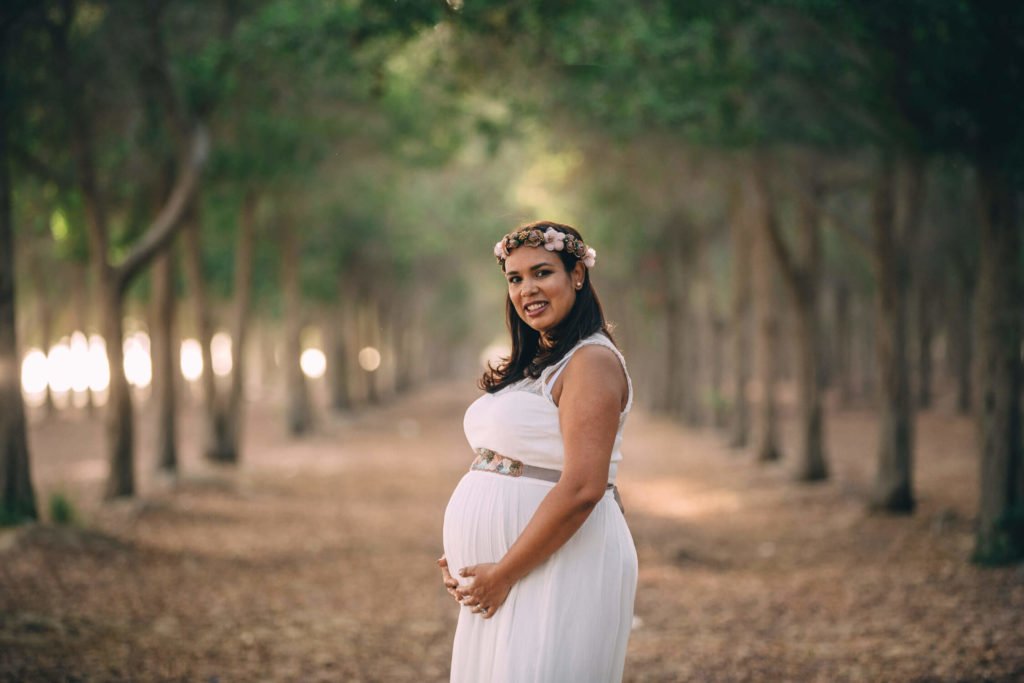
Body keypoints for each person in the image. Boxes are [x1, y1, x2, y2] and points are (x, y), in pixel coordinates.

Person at [438, 220, 638, 682]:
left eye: (542, 272)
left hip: (561, 564)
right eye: (515, 278)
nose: (528, 289)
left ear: (578, 275)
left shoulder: (591, 362)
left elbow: (585, 487)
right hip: (509, 572)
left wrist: (503, 571)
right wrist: (470, 549)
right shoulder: (534, 366)